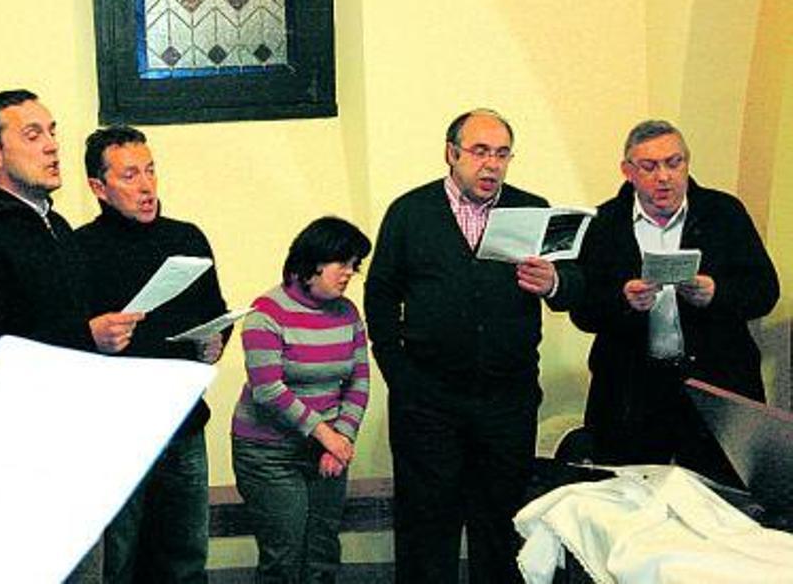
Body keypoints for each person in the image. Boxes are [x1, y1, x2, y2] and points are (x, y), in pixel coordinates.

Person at [364, 109, 582, 584]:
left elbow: (577, 285)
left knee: (502, 529)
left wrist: (555, 282)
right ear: (452, 153)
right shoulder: (410, 212)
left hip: (507, 402)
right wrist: (398, 375)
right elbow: (380, 294)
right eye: (480, 152)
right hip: (428, 402)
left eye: (502, 154)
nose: (492, 165)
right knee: (427, 532)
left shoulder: (532, 209)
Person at [570, 119, 779, 483]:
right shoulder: (604, 222)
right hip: (631, 390)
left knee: (722, 502)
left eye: (674, 162)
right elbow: (582, 310)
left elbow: (764, 290)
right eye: (649, 167)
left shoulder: (723, 213)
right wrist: (623, 301)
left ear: (687, 163)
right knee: (628, 500)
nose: (664, 177)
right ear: (628, 172)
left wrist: (716, 293)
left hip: (715, 387)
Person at [74, 126, 230, 583]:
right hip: (116, 432)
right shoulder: (79, 249)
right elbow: (70, 341)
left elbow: (214, 314)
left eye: (150, 170)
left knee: (185, 560)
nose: (146, 186)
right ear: (98, 187)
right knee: (118, 563)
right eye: (129, 176)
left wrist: (215, 342)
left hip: (182, 424)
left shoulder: (187, 237)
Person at [231, 216, 371, 584]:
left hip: (327, 445)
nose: (349, 274)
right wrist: (327, 436)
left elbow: (359, 381)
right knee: (285, 555)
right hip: (268, 452)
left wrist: (340, 439)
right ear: (312, 262)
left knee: (323, 552)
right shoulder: (266, 313)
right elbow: (268, 390)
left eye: (354, 266)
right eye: (343, 264)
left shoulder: (348, 313)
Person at [0, 89, 143, 353]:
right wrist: (85, 336)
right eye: (33, 136)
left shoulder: (57, 224)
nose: (52, 146)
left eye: (52, 132)